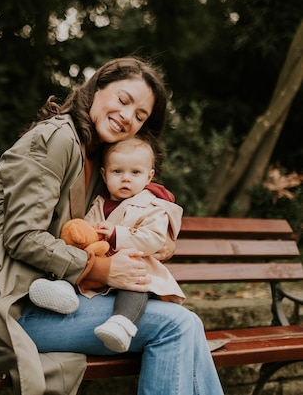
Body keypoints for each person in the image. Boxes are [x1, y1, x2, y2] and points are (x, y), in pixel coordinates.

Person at [0, 56, 224, 395]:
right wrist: (102, 268)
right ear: (96, 88)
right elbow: (23, 238)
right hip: (13, 307)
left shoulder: (97, 158)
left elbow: (122, 217)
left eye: (140, 116)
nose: (128, 116)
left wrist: (159, 230)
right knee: (176, 325)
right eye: (123, 100)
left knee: (186, 325)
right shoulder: (57, 140)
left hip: (58, 300)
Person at [28, 135, 186, 354]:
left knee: (135, 286)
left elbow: (153, 239)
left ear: (149, 176)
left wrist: (116, 235)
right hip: (103, 267)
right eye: (117, 172)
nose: (125, 179)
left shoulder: (154, 206)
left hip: (136, 269)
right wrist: (85, 235)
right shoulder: (100, 202)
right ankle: (62, 292)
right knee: (81, 264)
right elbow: (89, 229)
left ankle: (121, 324)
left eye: (135, 173)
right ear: (104, 174)